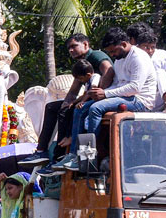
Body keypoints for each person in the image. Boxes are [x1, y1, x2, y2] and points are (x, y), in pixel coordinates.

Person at [61, 28, 155, 167]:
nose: (111, 55)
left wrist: (105, 94)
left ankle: (88, 158)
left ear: (123, 44)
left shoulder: (138, 58)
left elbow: (135, 88)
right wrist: (98, 93)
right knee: (80, 109)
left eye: (113, 51)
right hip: (124, 96)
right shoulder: (119, 59)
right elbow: (118, 85)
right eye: (110, 52)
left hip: (140, 100)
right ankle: (74, 155)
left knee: (95, 108)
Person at [24, 34, 114, 164]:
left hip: (101, 99)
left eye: (74, 46)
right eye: (69, 48)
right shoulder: (81, 64)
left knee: (77, 110)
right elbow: (73, 91)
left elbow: (109, 70)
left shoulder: (95, 56)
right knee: (54, 107)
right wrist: (66, 104)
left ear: (85, 45)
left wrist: (99, 94)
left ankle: (68, 155)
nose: (71, 50)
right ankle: (41, 151)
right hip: (89, 98)